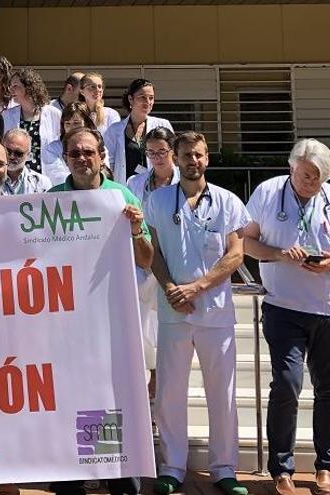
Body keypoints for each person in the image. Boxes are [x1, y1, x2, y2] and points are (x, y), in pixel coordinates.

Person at [47, 128, 151, 495]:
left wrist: (137, 230)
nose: (81, 158)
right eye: (74, 153)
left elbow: (146, 259)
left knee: (107, 397)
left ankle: (117, 477)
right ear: (65, 158)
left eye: (88, 152)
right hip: (65, 322)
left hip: (109, 321)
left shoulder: (119, 196)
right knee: (69, 398)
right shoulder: (53, 199)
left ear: (102, 155)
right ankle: (71, 480)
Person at [144, 132, 249, 495]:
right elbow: (151, 251)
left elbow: (236, 254)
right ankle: (172, 466)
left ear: (207, 158)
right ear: (175, 157)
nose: (194, 161)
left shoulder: (227, 201)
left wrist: (199, 286)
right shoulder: (157, 200)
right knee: (170, 393)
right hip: (173, 310)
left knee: (222, 393)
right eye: (187, 155)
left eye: (200, 155)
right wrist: (171, 287)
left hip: (215, 312)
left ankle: (224, 468)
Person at [242, 138, 330, 495]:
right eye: (305, 175)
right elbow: (246, 242)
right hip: (283, 306)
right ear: (292, 167)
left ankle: (327, 467)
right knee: (286, 384)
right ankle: (280, 468)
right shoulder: (269, 192)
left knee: (329, 389)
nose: (310, 183)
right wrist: (280, 254)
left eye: (317, 178)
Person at [126, 127, 180, 402]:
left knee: (162, 331)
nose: (156, 158)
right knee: (142, 328)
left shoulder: (185, 183)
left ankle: (159, 388)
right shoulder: (135, 184)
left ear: (173, 152)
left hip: (173, 263)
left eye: (162, 152)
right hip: (143, 261)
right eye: (151, 153)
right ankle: (144, 390)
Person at [104, 79, 173, 185]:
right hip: (125, 190)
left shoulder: (163, 125)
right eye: (142, 97)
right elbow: (108, 164)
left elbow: (173, 157)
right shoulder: (114, 130)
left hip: (157, 187)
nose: (148, 102)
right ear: (131, 99)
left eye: (151, 98)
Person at [3, 67, 61, 175]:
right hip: (17, 176)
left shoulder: (54, 114)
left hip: (48, 176)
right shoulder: (6, 115)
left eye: (15, 86)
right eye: (10, 86)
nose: (11, 90)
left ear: (29, 87)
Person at [41, 101, 109, 187]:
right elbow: (57, 178)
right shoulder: (51, 149)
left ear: (87, 123)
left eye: (76, 123)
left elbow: (104, 173)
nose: (72, 128)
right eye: (68, 124)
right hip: (65, 195)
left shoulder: (98, 146)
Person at [1, 129, 52, 196]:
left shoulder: (42, 183)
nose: (11, 156)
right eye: (7, 151)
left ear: (29, 156)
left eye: (18, 153)